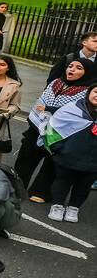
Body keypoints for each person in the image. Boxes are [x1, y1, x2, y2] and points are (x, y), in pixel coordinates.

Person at [15, 59, 95, 203]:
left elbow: (75, 111)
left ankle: (41, 191)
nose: (72, 69)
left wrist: (49, 110)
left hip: (61, 132)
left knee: (51, 163)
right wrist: (42, 113)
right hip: (37, 127)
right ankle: (16, 187)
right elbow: (41, 102)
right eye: (70, 66)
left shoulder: (87, 91)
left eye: (78, 68)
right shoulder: (56, 82)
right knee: (26, 158)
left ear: (87, 72)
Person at [44, 83, 97, 223]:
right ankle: (57, 206)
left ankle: (74, 208)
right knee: (62, 181)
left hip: (93, 161)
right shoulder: (72, 109)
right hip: (68, 155)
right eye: (96, 91)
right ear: (89, 93)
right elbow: (53, 126)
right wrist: (58, 148)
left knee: (84, 186)